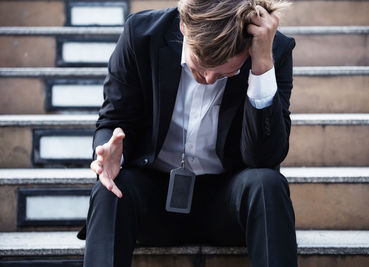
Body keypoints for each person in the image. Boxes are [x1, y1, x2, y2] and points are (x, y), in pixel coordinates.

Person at [78, 0, 297, 266]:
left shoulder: (272, 50)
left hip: (228, 205)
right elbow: (114, 118)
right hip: (154, 200)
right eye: (200, 64)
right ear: (183, 27)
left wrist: (261, 64)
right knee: (110, 187)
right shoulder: (141, 34)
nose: (207, 78)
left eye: (224, 73)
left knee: (268, 184)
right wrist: (110, 157)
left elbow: (265, 158)